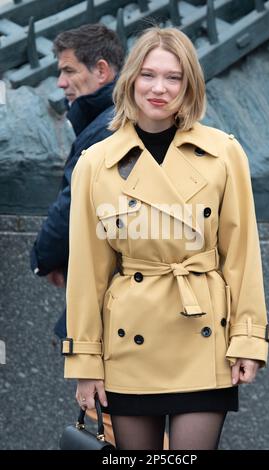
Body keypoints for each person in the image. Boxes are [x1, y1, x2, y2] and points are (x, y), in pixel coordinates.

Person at [62, 27, 269, 450]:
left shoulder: (223, 153)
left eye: (174, 77)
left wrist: (249, 338)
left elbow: (242, 256)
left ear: (189, 84)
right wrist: (85, 361)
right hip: (128, 344)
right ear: (131, 81)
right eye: (148, 75)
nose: (159, 88)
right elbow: (87, 272)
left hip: (202, 336)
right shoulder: (97, 162)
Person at [30, 23, 124, 446]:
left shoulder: (105, 128)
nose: (61, 82)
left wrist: (43, 257)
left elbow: (72, 206)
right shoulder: (108, 119)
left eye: (69, 71)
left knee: (113, 429)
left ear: (101, 71)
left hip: (108, 314)